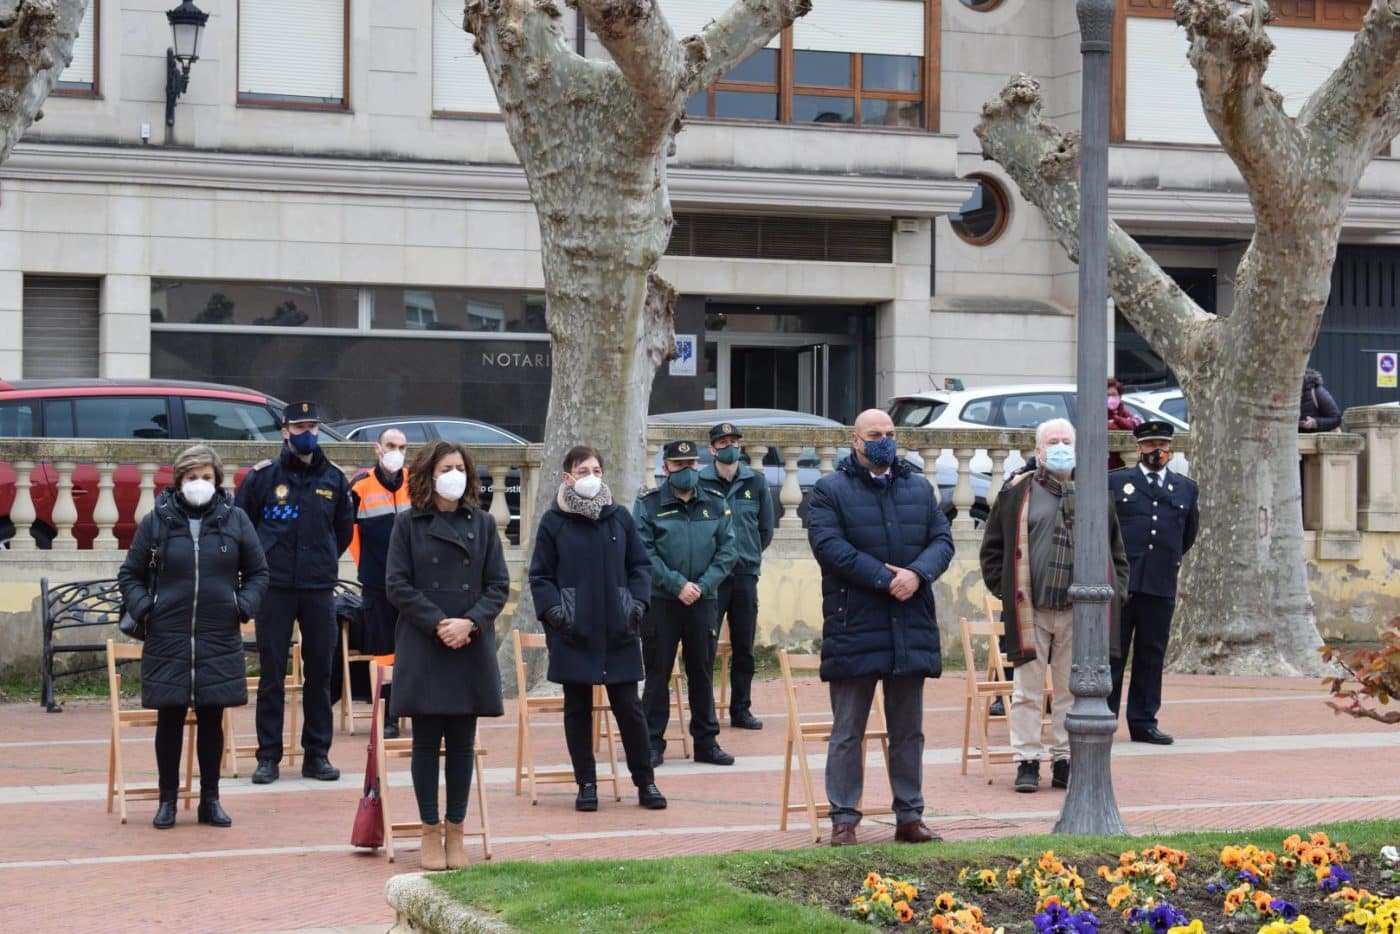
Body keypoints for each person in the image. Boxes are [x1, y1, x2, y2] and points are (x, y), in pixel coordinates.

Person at [806, 409, 954, 847]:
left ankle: (910, 815)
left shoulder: (917, 486)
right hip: (856, 625)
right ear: (856, 440)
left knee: (908, 729)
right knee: (848, 729)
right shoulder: (829, 490)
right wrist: (886, 579)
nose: (884, 440)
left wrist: (917, 575)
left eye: (890, 434)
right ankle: (844, 818)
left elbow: (942, 540)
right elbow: (830, 548)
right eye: (875, 434)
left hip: (910, 625)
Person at [118, 445, 269, 829]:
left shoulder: (235, 520)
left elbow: (258, 573)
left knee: (211, 717)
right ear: (179, 480)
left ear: (218, 480)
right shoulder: (157, 521)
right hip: (168, 634)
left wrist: (242, 606)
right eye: (191, 477)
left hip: (217, 635)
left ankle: (210, 800)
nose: (199, 484)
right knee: (168, 717)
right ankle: (167, 800)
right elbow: (130, 574)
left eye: (205, 477)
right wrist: (145, 607)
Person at [980, 417, 1130, 794]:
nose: (1060, 446)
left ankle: (1063, 760)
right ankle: (1026, 761)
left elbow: (1116, 553)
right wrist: (1008, 590)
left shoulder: (1096, 493)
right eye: (1053, 441)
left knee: (1068, 691)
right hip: (1030, 609)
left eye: (1066, 440)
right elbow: (993, 551)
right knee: (1027, 692)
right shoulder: (1017, 494)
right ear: (1038, 451)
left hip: (1079, 611)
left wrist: (1116, 593)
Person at [385, 440, 510, 870]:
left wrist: (469, 622)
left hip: (469, 644)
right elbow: (397, 585)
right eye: (446, 467)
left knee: (460, 744)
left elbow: (498, 585)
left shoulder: (484, 524)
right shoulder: (407, 524)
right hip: (425, 642)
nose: (454, 474)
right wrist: (440, 622)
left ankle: (456, 829)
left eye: (460, 466)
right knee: (425, 742)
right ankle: (428, 830)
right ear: (429, 474)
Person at [528, 445, 667, 812]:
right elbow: (540, 575)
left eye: (596, 470)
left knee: (629, 708)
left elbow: (640, 566)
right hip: (573, 631)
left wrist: (636, 605)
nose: (591, 476)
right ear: (567, 477)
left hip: (619, 629)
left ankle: (645, 782)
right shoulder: (553, 522)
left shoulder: (619, 518)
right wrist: (557, 613)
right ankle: (586, 783)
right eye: (583, 470)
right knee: (577, 709)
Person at [234, 401, 354, 785]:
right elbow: (242, 526)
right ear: (285, 431)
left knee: (320, 672)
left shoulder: (334, 478)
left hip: (318, 588)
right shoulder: (264, 477)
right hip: (276, 587)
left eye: (313, 425)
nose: (308, 433)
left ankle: (316, 755)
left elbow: (343, 532)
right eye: (300, 426)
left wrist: (320, 561)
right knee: (271, 674)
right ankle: (268, 756)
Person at [635, 439, 738, 768]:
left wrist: (703, 585)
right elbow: (643, 554)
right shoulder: (649, 505)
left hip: (703, 600)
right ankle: (651, 744)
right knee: (657, 674)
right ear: (666, 468)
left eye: (692, 464)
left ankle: (706, 743)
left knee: (702, 672)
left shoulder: (715, 502)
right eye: (680, 466)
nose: (687, 471)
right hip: (662, 601)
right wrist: (677, 584)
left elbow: (727, 551)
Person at [1108, 420, 1199, 745]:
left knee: (1151, 654)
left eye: (1162, 444)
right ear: (1138, 448)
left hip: (1160, 583)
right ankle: (1104, 719)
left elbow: (1187, 535)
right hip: (1122, 584)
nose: (1156, 451)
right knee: (1113, 654)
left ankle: (1144, 721)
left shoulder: (1185, 488)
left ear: (1170, 448)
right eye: (1149, 445)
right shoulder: (1117, 483)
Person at [699, 422, 774, 730]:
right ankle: (704, 712)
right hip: (712, 577)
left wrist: (749, 554)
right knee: (705, 646)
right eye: (723, 442)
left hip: (744, 575)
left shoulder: (755, 481)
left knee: (743, 646)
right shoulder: (701, 482)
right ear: (712, 449)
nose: (729, 446)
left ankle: (741, 709)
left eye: (734, 441)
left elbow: (765, 530)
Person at [348, 427, 411, 738]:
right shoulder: (361, 486)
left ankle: (409, 706)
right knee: (384, 650)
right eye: (391, 445)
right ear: (377, 449)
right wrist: (368, 569)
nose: (396, 451)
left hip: (412, 582)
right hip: (376, 583)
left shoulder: (415, 483)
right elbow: (350, 534)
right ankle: (387, 716)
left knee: (411, 648)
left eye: (402, 446)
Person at [1106, 378, 1141, 470]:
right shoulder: (1098, 413)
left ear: (1120, 397)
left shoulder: (1124, 412)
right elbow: (1106, 427)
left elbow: (1135, 425)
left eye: (1114, 395)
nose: (1111, 398)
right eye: (1107, 395)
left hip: (1123, 464)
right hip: (1106, 464)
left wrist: (1117, 419)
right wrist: (1120, 426)